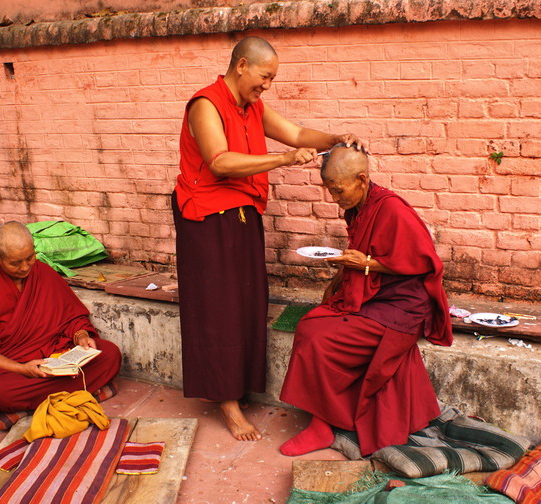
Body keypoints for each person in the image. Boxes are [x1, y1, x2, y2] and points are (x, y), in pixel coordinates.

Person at [172, 36, 367, 441]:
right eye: (265, 76)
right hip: (207, 217)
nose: (267, 86)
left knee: (246, 302)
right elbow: (220, 162)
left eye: (272, 79)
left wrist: (334, 139)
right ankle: (225, 401)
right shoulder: (205, 105)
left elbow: (295, 133)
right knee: (216, 308)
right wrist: (280, 160)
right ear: (242, 66)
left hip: (244, 213)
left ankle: (237, 386)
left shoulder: (253, 107)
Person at [279, 145, 453, 457]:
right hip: (375, 295)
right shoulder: (360, 205)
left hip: (401, 307)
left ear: (362, 179)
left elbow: (426, 263)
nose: (335, 199)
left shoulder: (393, 210)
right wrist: (347, 272)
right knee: (312, 322)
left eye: (338, 190)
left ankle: (322, 425)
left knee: (318, 338)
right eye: (330, 191)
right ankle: (327, 416)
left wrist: (368, 265)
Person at [0, 221, 121, 418]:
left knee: (110, 354)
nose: (24, 267)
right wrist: (22, 369)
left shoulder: (43, 272)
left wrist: (81, 335)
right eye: (15, 263)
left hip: (54, 356)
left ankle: (31, 407)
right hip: (14, 366)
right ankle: (75, 395)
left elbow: (70, 316)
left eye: (29, 258)